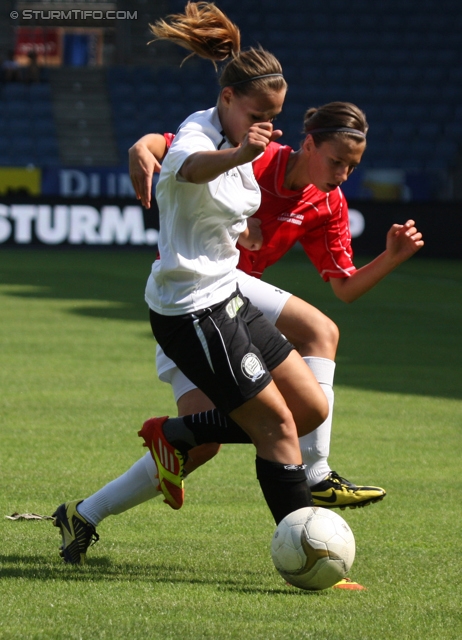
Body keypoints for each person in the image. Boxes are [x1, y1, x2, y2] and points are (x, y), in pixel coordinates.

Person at [52, 1, 329, 565]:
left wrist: (244, 224)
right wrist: (233, 152)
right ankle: (306, 556)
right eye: (258, 113)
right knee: (275, 426)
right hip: (190, 308)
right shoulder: (199, 136)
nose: (266, 125)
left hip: (225, 292)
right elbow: (189, 166)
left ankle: (172, 435)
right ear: (227, 99)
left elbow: (231, 188)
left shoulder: (244, 135)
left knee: (308, 410)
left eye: (274, 115)